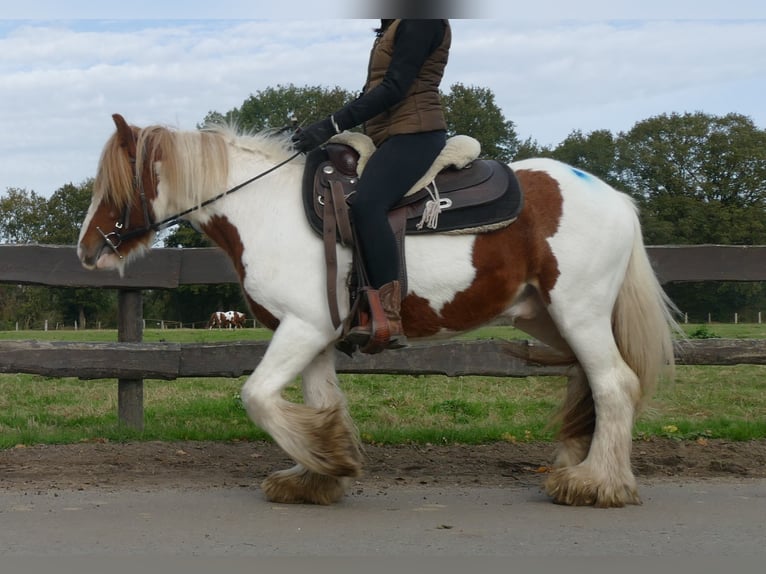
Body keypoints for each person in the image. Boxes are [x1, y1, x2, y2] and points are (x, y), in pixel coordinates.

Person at [292, 19, 451, 351]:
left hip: (416, 134)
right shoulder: (394, 25)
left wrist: (331, 124)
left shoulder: (421, 20)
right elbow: (374, 90)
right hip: (390, 135)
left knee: (367, 204)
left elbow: (395, 87)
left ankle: (389, 317)